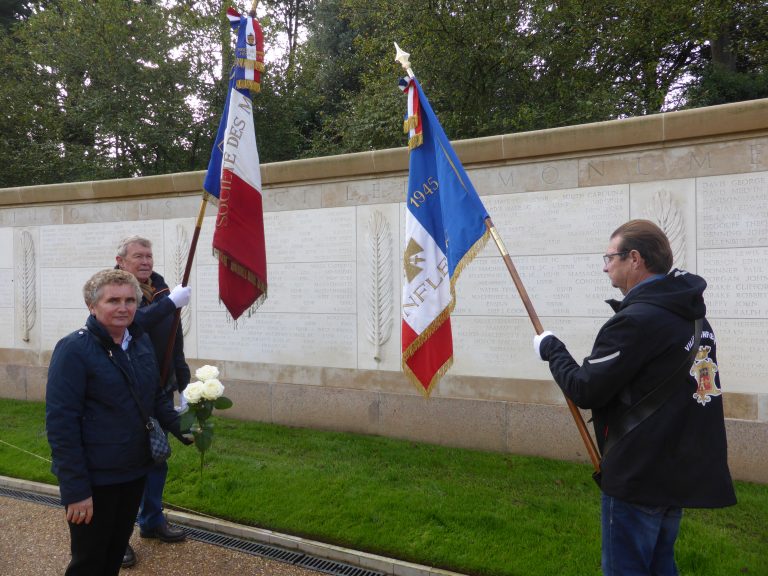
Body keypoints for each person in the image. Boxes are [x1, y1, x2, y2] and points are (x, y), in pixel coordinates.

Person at [532, 219, 736, 575]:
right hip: (676, 474)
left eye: (610, 256)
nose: (604, 265)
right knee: (660, 566)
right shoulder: (694, 319)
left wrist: (551, 348)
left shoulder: (637, 320)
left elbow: (585, 387)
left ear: (635, 258)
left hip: (640, 475)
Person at [46, 269, 192, 576]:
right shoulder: (74, 350)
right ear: (92, 305)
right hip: (96, 480)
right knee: (88, 562)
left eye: (129, 300)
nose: (123, 307)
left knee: (113, 556)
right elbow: (62, 425)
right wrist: (75, 490)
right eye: (113, 300)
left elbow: (153, 398)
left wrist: (186, 428)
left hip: (133, 471)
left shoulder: (139, 343)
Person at [115, 235, 192, 567]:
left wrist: (185, 386)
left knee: (158, 457)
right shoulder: (115, 290)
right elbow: (134, 323)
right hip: (125, 390)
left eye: (149, 256)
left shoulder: (161, 290)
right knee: (125, 467)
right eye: (138, 256)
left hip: (159, 388)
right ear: (120, 261)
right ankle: (116, 538)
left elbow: (175, 342)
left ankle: (151, 520)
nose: (146, 261)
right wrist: (170, 303)